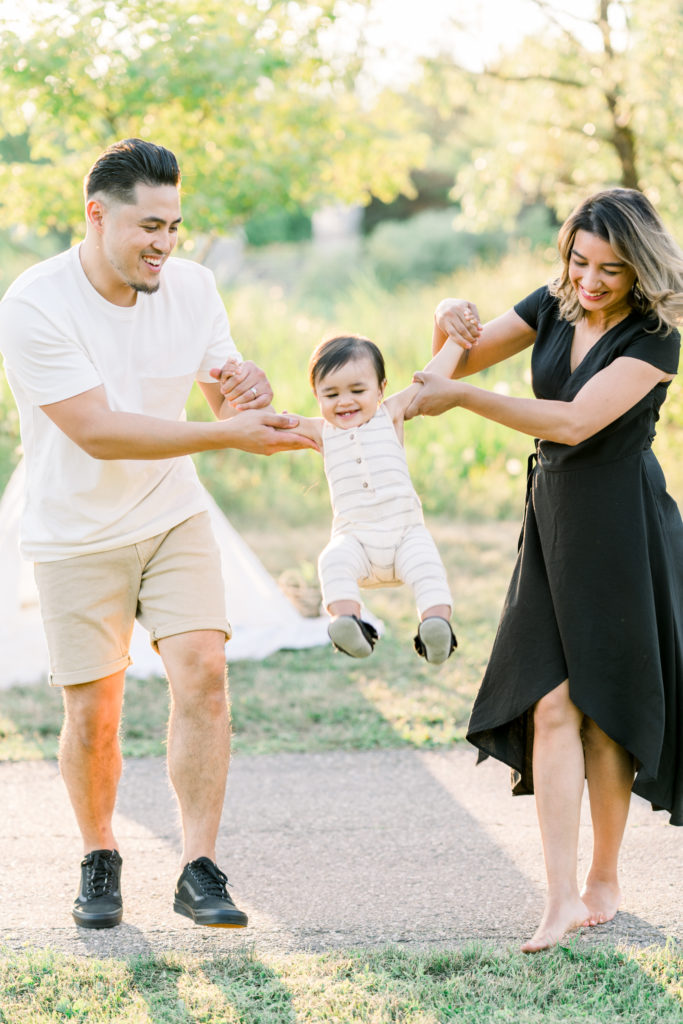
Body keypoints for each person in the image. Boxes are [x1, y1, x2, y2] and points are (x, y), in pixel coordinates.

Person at [0, 138, 314, 931]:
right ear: (96, 216)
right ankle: (98, 854)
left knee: (204, 673)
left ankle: (198, 867)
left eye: (175, 227)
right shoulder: (34, 302)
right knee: (94, 713)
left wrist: (245, 395)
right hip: (74, 532)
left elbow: (222, 401)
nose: (165, 245)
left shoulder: (193, 287)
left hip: (173, 514)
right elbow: (98, 431)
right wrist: (230, 438)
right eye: (149, 227)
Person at [407, 187, 683, 952]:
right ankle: (558, 897)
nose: (589, 281)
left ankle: (603, 878)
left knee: (602, 707)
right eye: (578, 260)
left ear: (639, 269)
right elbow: (444, 367)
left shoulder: (656, 337)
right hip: (554, 519)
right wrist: (445, 319)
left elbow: (570, 422)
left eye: (611, 269)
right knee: (549, 703)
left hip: (621, 525)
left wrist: (460, 395)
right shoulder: (552, 302)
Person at [292, 333, 458, 663]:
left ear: (381, 389)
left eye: (357, 390)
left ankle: (436, 625)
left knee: (427, 568)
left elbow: (431, 380)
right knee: (331, 561)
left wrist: (456, 339)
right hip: (356, 541)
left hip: (405, 534)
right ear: (316, 395)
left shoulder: (390, 413)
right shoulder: (318, 430)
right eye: (331, 393)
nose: (344, 402)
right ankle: (347, 623)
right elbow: (269, 427)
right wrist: (239, 391)